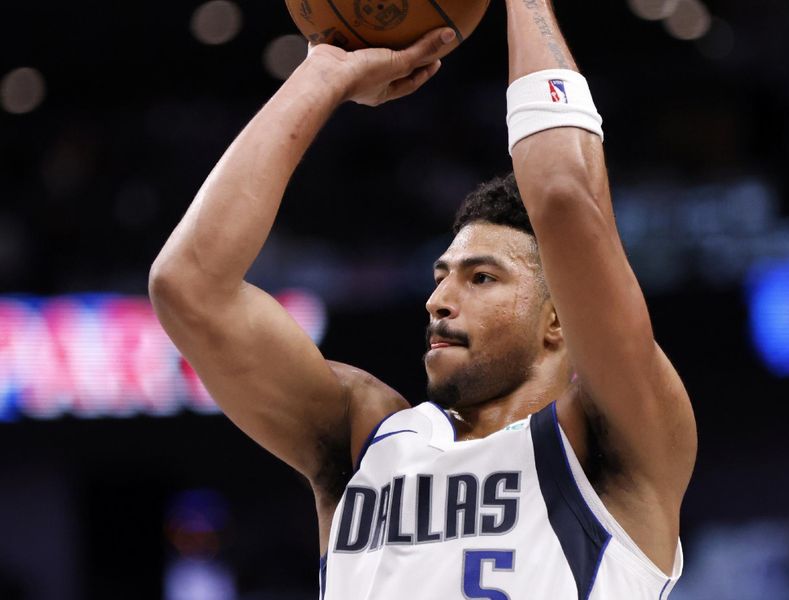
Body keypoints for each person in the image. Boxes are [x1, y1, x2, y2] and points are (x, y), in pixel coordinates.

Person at [149, 1, 697, 597]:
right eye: (441, 276)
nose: (439, 299)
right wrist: (323, 73)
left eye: (481, 277)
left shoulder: (613, 435)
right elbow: (189, 287)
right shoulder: (365, 435)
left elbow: (564, 195)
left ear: (557, 318)